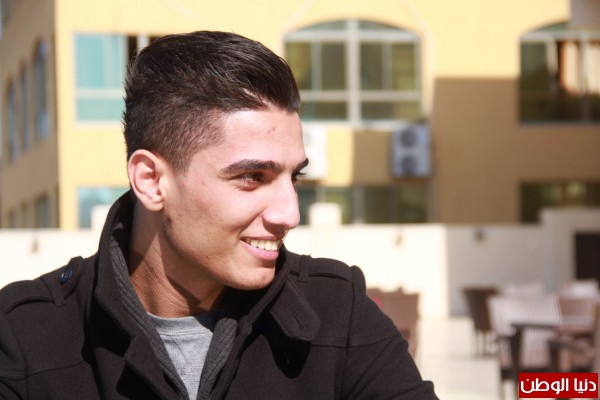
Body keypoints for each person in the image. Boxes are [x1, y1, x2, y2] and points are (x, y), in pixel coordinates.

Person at [0, 31, 438, 399]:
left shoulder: (338, 313)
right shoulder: (25, 337)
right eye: (252, 177)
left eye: (295, 177)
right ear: (151, 181)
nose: (289, 214)